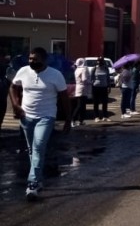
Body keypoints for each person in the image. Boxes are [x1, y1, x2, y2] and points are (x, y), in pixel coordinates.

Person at [9, 47, 71, 200]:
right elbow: (13, 87)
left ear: (44, 60)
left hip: (46, 117)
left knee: (38, 147)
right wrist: (16, 105)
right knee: (32, 150)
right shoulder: (23, 71)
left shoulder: (55, 75)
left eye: (35, 59)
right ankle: (38, 179)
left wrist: (68, 120)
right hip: (26, 116)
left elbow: (64, 98)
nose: (32, 62)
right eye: (30, 59)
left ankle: (33, 183)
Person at [72, 57, 90, 126]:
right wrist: (90, 82)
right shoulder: (83, 69)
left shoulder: (76, 70)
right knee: (81, 106)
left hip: (78, 87)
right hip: (83, 88)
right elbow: (84, 79)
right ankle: (74, 120)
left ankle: (80, 120)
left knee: (80, 105)